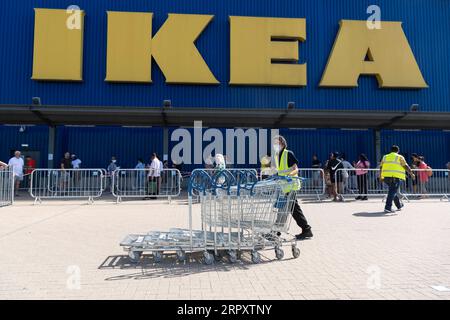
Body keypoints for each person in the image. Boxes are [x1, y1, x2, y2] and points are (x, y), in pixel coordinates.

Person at [273, 135, 313, 240]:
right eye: (274, 143)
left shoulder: (288, 153)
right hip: (284, 187)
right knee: (289, 209)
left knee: (288, 209)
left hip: (291, 186)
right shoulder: (277, 156)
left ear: (282, 143)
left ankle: (276, 232)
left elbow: (296, 169)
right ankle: (306, 229)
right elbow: (280, 170)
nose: (275, 145)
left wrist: (288, 176)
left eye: (277, 143)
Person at [380, 145, 415, 213]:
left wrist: (381, 176)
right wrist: (411, 173)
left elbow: (381, 167)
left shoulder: (385, 157)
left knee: (393, 191)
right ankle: (387, 207)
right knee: (392, 191)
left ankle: (399, 205)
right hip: (395, 177)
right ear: (398, 150)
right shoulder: (399, 157)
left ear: (391, 150)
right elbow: (405, 166)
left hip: (386, 177)